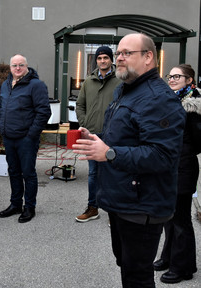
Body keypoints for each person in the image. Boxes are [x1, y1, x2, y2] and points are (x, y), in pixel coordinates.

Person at [73, 33, 186, 287]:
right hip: (122, 200)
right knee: (127, 267)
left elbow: (163, 155)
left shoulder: (158, 99)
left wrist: (109, 153)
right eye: (118, 52)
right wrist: (98, 140)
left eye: (126, 53)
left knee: (137, 276)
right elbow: (126, 137)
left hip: (142, 206)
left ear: (148, 57)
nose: (119, 58)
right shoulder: (125, 90)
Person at [152, 64, 200, 284]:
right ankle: (169, 257)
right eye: (169, 76)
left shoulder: (193, 106)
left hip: (184, 167)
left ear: (189, 80)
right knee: (168, 217)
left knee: (181, 219)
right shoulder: (171, 102)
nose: (171, 79)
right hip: (169, 166)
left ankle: (183, 267)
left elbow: (197, 141)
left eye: (177, 76)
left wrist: (181, 151)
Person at [0, 54, 51, 223]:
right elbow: (0, 106)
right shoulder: (6, 85)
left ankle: (29, 207)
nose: (17, 68)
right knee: (13, 172)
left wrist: (31, 135)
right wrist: (0, 124)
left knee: (28, 173)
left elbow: (44, 112)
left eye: (21, 65)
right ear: (10, 68)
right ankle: (15, 204)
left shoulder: (36, 85)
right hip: (9, 136)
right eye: (14, 65)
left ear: (27, 67)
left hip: (26, 139)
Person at [75, 46, 122, 222]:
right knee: (93, 174)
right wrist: (84, 123)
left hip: (114, 135)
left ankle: (114, 213)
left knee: (113, 173)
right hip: (93, 135)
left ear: (111, 60)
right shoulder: (88, 82)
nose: (103, 61)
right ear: (96, 60)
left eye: (106, 58)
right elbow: (80, 105)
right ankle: (92, 208)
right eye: (100, 58)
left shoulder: (120, 81)